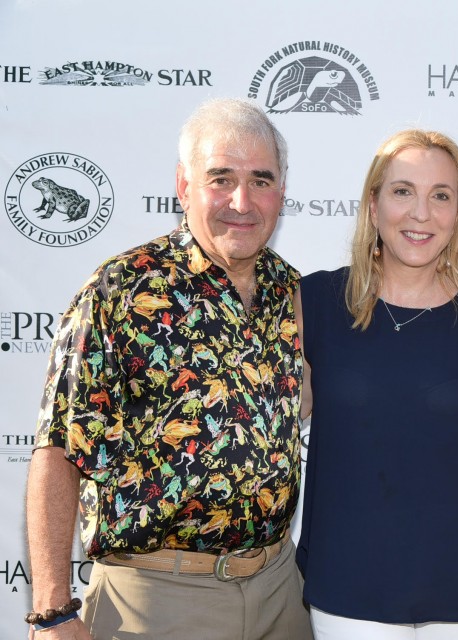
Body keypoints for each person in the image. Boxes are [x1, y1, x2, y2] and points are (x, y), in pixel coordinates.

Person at [25, 98, 312, 640]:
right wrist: (52, 611)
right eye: (220, 178)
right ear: (183, 185)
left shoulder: (292, 292)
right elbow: (58, 450)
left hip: (279, 592)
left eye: (261, 180)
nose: (241, 201)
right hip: (156, 603)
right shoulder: (122, 289)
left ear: (282, 191)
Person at [295, 129, 458, 640]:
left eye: (441, 196)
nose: (421, 213)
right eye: (402, 192)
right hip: (349, 586)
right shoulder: (318, 303)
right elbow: (267, 429)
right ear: (373, 205)